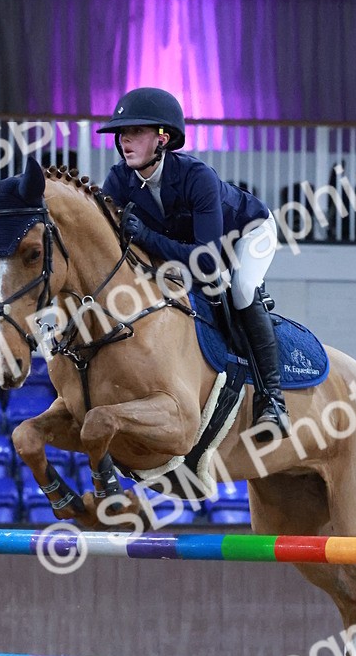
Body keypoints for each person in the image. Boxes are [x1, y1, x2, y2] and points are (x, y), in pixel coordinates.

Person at [98, 88, 289, 434]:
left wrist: (145, 237)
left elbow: (207, 259)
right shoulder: (118, 180)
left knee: (243, 289)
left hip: (247, 233)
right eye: (121, 133)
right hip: (186, 248)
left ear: (162, 139)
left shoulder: (196, 176)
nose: (125, 140)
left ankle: (272, 399)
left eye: (136, 132)